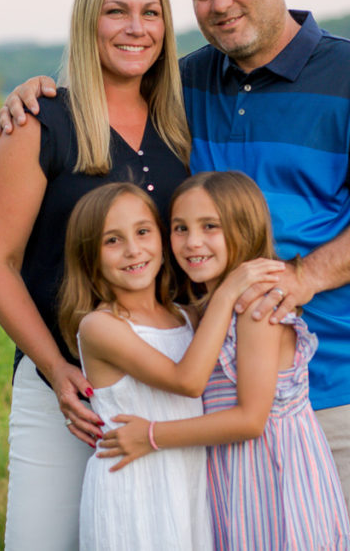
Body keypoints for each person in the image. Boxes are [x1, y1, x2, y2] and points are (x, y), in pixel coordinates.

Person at [0, 0, 350, 550]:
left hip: (348, 381)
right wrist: (34, 92)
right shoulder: (188, 84)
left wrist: (298, 278)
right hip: (220, 396)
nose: (221, 3)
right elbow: (108, 83)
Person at [0, 0, 191, 550]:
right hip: (65, 393)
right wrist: (55, 369)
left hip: (160, 388)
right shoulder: (40, 122)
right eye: (115, 11)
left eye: (151, 13)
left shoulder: (180, 127)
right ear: (87, 22)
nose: (135, 27)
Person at [98, 171, 350, 550]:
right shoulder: (208, 312)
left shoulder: (257, 308)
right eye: (180, 228)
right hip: (231, 481)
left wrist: (150, 436)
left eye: (210, 227)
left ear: (245, 228)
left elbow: (251, 420)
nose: (192, 242)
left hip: (273, 482)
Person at [57, 181, 283, 550]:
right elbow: (188, 380)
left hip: (187, 482)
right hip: (132, 485)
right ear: (89, 255)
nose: (133, 250)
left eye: (143, 232)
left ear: (161, 239)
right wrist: (227, 291)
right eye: (111, 240)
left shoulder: (187, 318)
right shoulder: (100, 326)